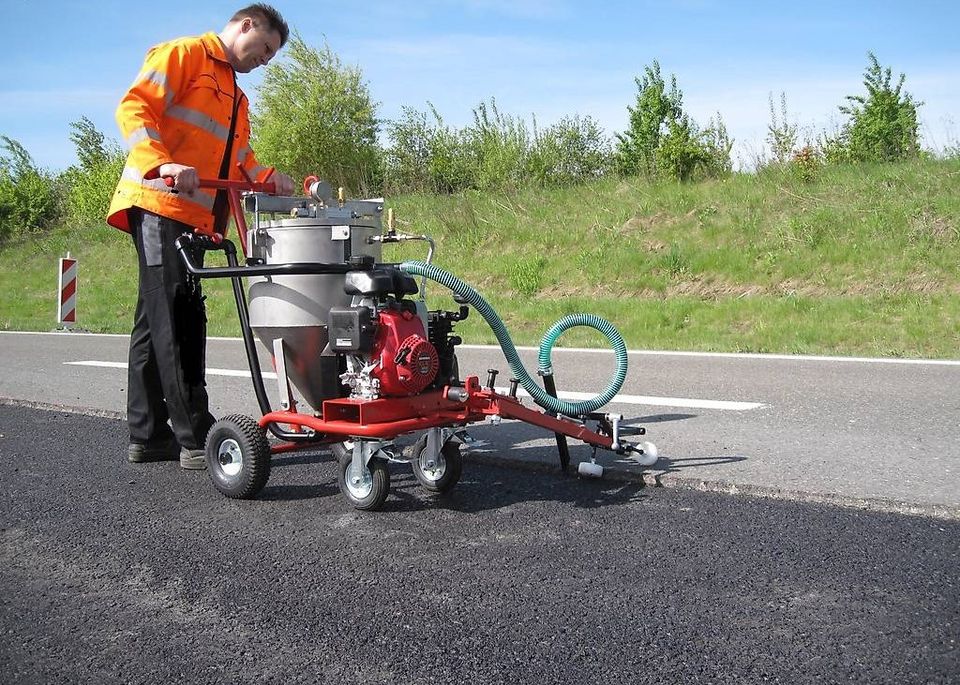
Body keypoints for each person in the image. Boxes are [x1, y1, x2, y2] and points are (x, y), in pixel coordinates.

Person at [106, 4, 295, 470]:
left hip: (194, 218)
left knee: (155, 321)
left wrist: (269, 178)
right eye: (265, 48)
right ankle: (196, 434)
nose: (265, 61)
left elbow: (239, 156)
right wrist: (162, 162)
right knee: (178, 315)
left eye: (271, 57)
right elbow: (134, 106)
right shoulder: (185, 54)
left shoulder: (234, 94)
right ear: (246, 25)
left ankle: (148, 435)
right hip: (157, 203)